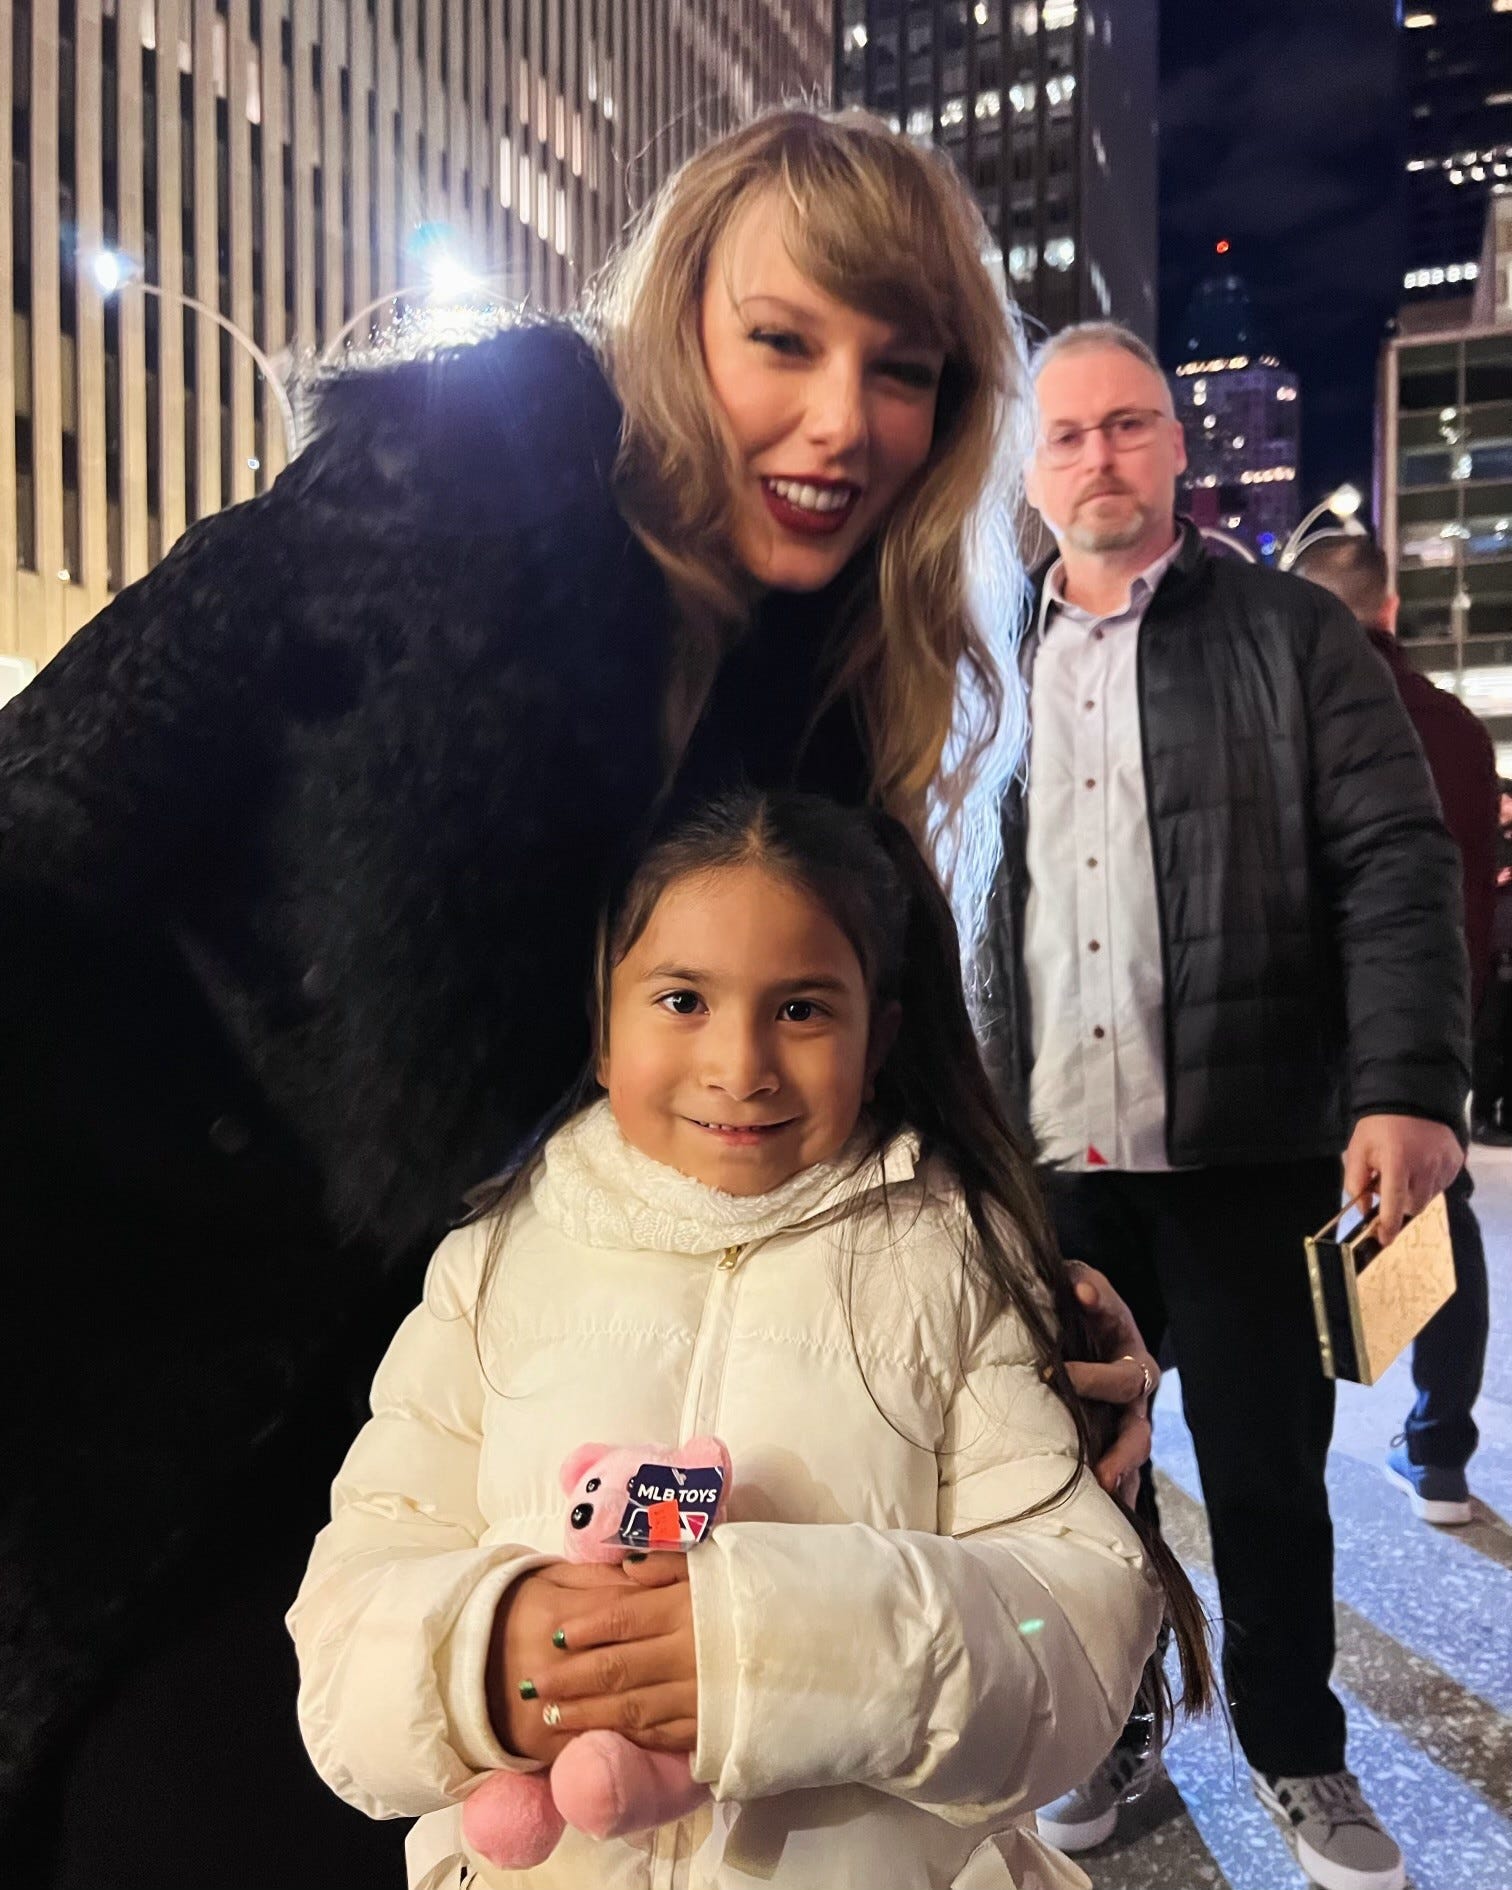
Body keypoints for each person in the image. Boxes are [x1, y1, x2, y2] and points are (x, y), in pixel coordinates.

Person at [0, 112, 1152, 1886]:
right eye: (786, 342)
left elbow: (886, 1068)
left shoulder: (831, 698)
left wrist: (1033, 1298)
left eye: (900, 370)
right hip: (169, 1414)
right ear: (680, 327)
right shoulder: (433, 512)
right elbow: (46, 826)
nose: (844, 420)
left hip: (512, 1414)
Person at [290, 788, 1211, 1890]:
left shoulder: (953, 1260)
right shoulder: (494, 1261)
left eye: (804, 1009)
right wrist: (484, 1665)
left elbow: (1073, 1626)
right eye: (682, 999)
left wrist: (774, 1653)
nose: (741, 1066)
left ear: (882, 1039)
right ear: (599, 1023)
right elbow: (348, 1616)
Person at [978, 322, 1468, 1890]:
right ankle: (1107, 1723)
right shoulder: (983, 658)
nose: (1099, 458)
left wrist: (1402, 1087)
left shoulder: (1291, 637)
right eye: (1065, 436)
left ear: (1180, 446)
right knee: (1067, 1477)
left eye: (1129, 427)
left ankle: (1296, 1746)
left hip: (1247, 1143)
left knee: (1263, 1469)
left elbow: (1398, 857)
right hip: (1050, 1164)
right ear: (1032, 468)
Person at [1292, 531, 1495, 1527]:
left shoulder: (1296, 711)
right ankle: (1441, 1452)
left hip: (1310, 1023)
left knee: (1285, 1231)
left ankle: (1292, 1446)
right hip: (1429, 1023)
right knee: (1437, 1218)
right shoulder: (1456, 728)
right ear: (1389, 609)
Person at [1470, 778, 1512, 1143]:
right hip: (1493, 957)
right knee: (1490, 1042)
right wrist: (1492, 880)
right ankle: (1482, 1117)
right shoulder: (1483, 844)